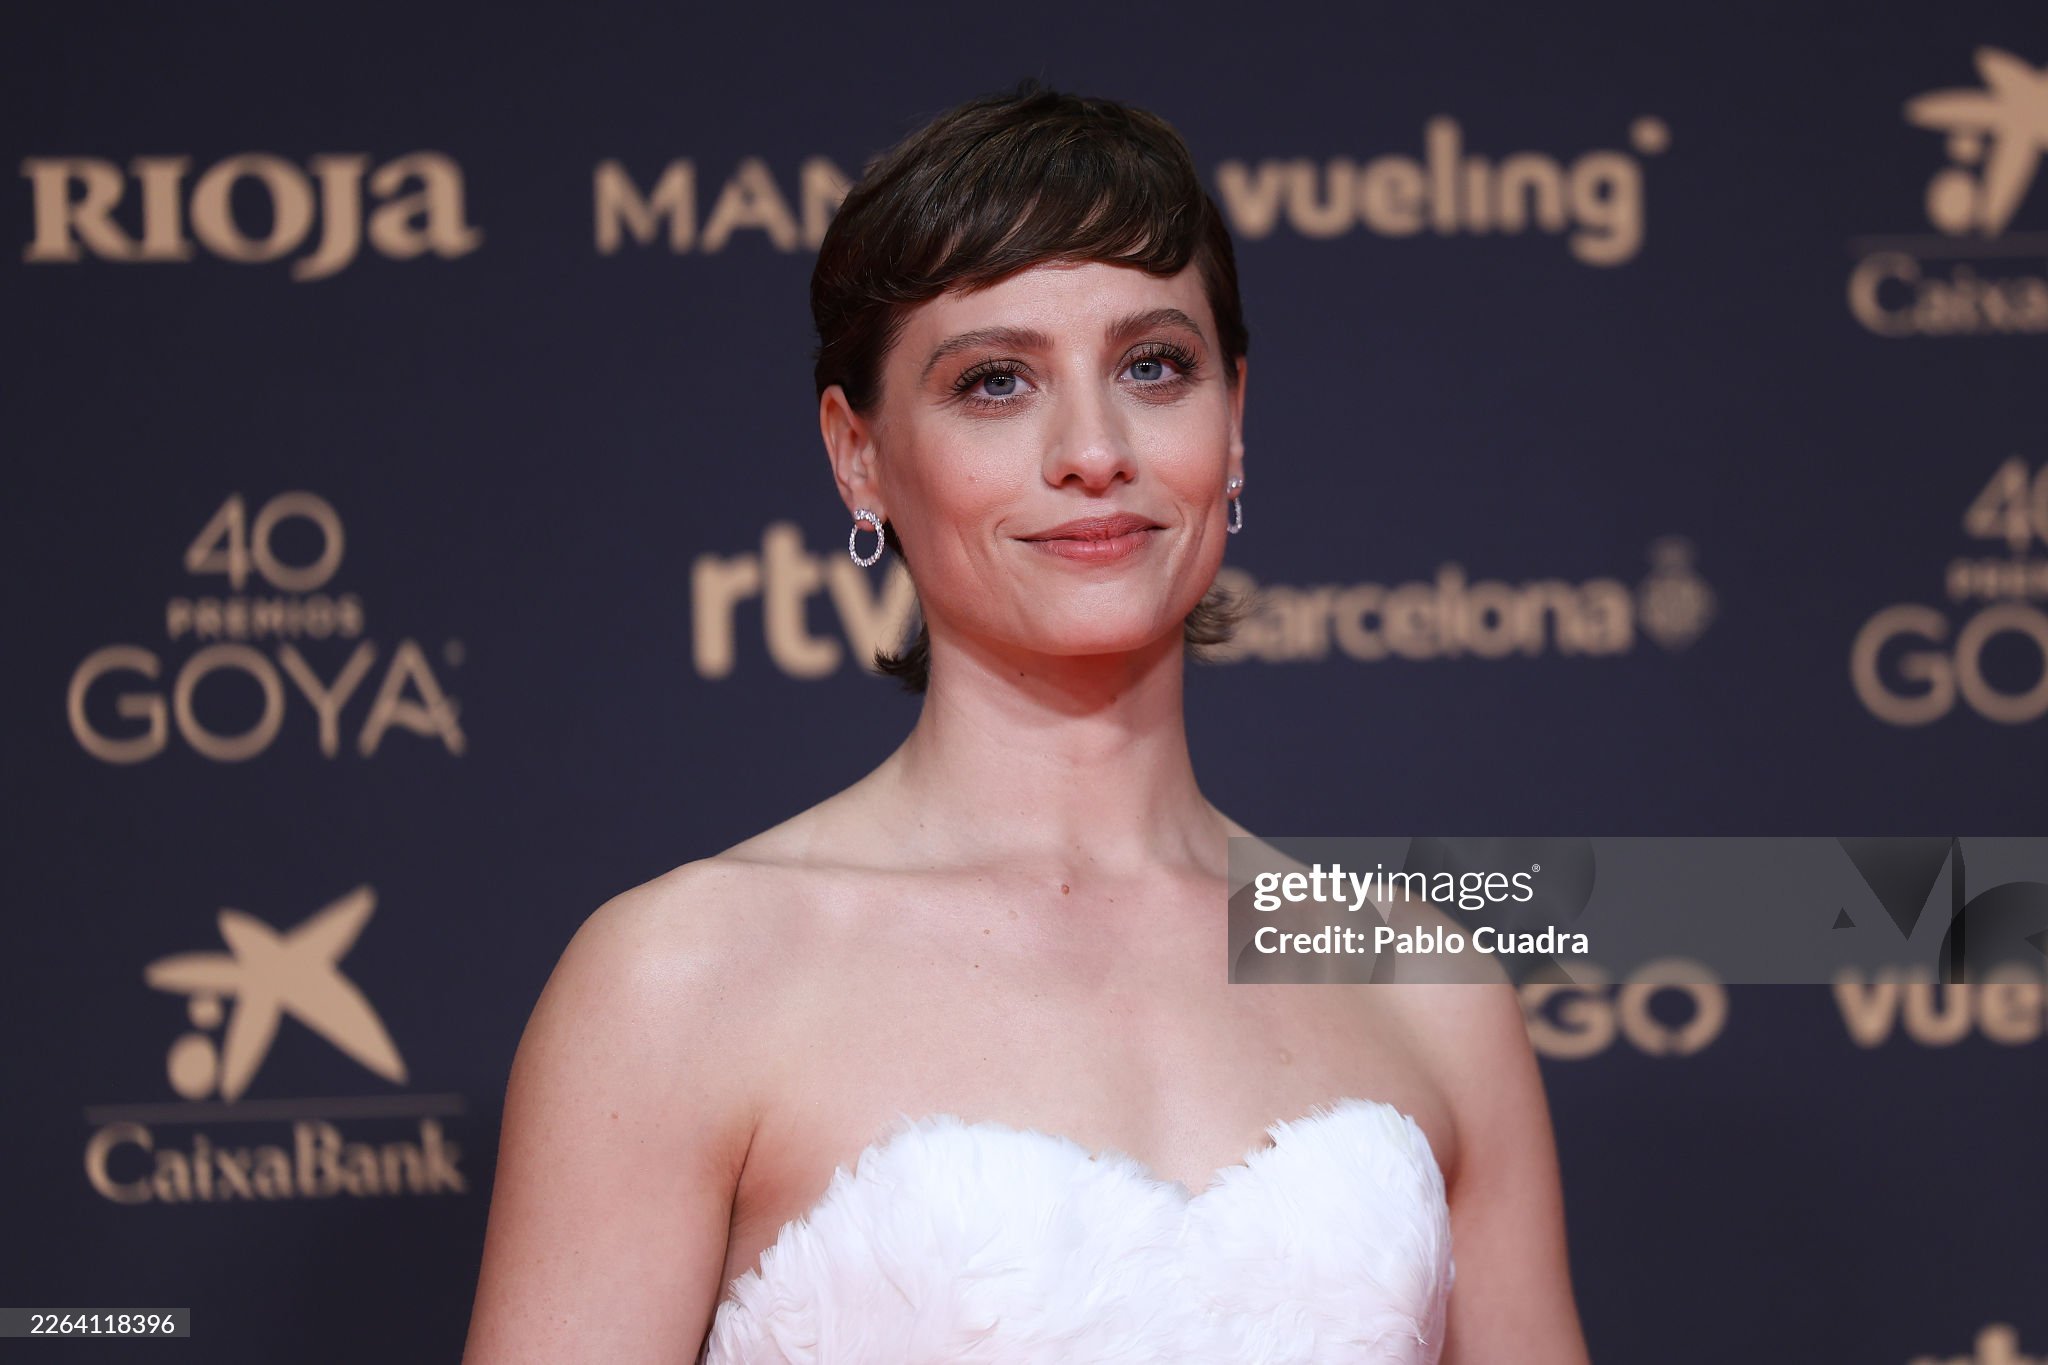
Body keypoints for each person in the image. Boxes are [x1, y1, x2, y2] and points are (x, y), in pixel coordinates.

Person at [461, 79, 1590, 1364]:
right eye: (995, 382)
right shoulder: (681, 980)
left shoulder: (1422, 986)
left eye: (1152, 367)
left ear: (1232, 420)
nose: (1093, 450)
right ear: (857, 455)